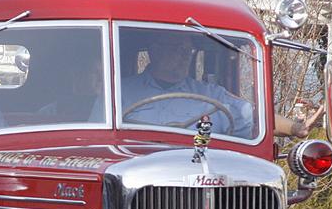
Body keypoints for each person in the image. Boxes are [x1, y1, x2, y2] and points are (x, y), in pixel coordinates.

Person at [120, 30, 320, 139]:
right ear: (154, 51)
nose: (183, 56)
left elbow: (253, 117)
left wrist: (295, 128)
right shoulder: (120, 94)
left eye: (187, 50)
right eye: (176, 48)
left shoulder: (211, 96)